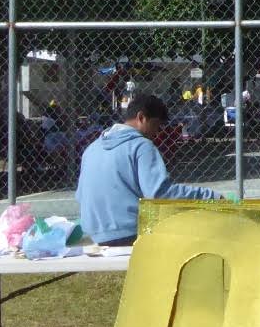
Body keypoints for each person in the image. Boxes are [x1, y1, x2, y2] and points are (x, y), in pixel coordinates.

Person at [76, 94, 220, 247]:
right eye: (156, 125)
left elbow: (80, 195)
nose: (156, 133)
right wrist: (211, 197)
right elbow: (160, 193)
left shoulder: (91, 149)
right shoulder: (141, 146)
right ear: (141, 118)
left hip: (94, 234)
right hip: (131, 232)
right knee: (200, 233)